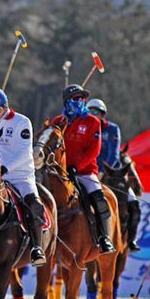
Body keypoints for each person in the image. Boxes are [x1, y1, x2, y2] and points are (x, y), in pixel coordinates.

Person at [0, 86, 47, 266]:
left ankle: (37, 248)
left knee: (34, 205)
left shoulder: (21, 122)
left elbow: (23, 154)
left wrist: (5, 169)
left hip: (20, 177)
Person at [52, 85, 115, 253]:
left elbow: (94, 149)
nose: (80, 102)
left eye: (82, 99)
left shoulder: (92, 122)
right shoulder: (58, 122)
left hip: (85, 172)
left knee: (100, 200)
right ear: (66, 102)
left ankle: (104, 238)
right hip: (59, 173)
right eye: (75, 99)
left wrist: (76, 166)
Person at [88, 98, 140, 251]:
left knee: (133, 203)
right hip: (90, 172)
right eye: (89, 112)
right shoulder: (86, 128)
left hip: (112, 174)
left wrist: (103, 172)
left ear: (103, 114)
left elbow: (114, 153)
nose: (93, 114)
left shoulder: (112, 129)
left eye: (96, 112)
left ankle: (131, 240)